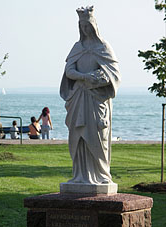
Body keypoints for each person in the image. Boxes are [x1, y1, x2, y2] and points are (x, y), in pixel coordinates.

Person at [60, 6, 121, 184]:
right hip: (78, 96)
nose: (85, 29)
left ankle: (101, 174)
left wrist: (97, 80)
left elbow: (114, 74)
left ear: (94, 26)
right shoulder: (77, 47)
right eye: (82, 26)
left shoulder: (103, 47)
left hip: (97, 99)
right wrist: (84, 77)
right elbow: (69, 70)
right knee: (78, 135)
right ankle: (80, 175)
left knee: (98, 135)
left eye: (88, 25)